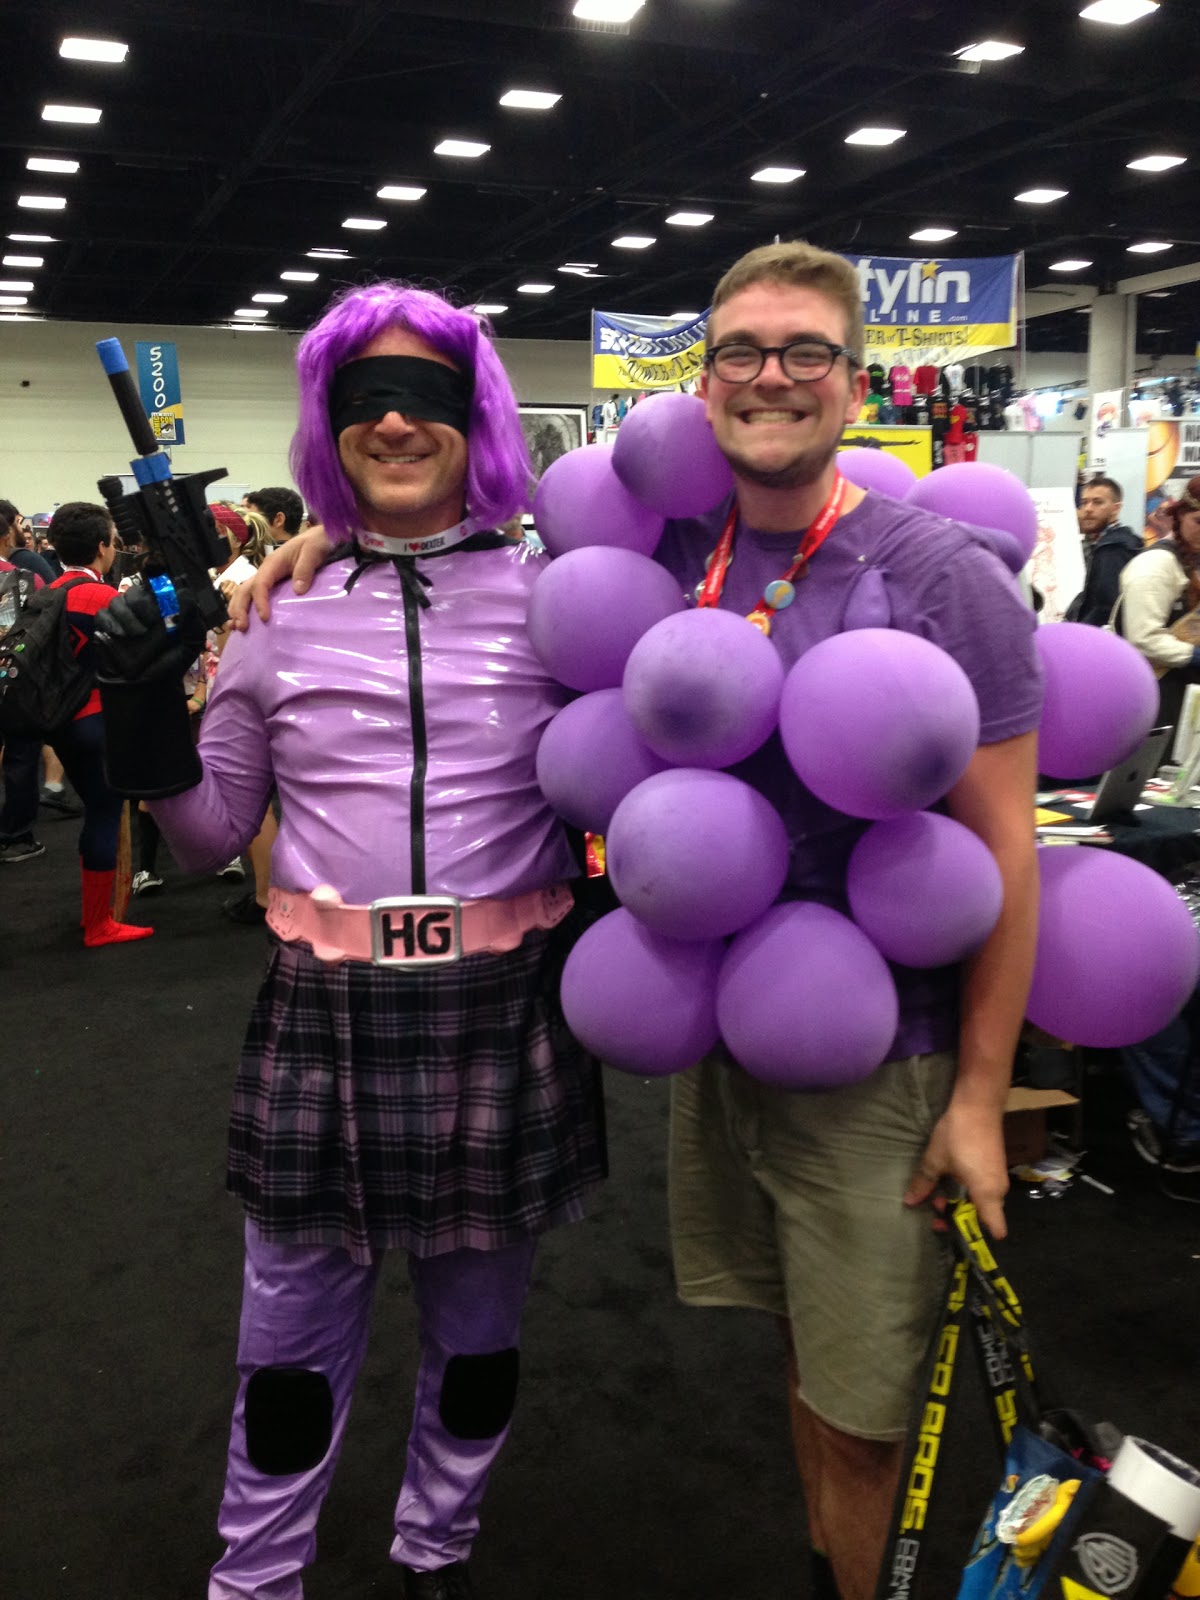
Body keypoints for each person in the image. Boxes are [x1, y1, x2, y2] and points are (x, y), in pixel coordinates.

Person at [243, 242, 1042, 1600]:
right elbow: (492, 556)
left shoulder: (938, 573)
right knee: (802, 1363)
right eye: (742, 352)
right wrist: (326, 533)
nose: (772, 377)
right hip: (722, 1032)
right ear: (705, 378)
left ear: (857, 381)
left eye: (806, 352)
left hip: (882, 1053)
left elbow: (1006, 856)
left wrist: (977, 1096)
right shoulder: (668, 547)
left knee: (866, 1412)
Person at [99, 283, 606, 1600]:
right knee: (285, 1349)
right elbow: (207, 839)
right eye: (363, 398)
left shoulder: (559, 604)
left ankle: (439, 1549)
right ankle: (256, 1579)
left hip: (506, 1004)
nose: (393, 421)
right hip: (323, 1010)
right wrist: (142, 719)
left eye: (426, 395)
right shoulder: (277, 614)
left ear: (477, 417)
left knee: (481, 1335)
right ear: (327, 425)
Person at [46, 501, 154, 945]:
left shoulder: (47, 592)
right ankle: (98, 923)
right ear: (102, 547)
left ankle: (95, 914)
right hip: (97, 719)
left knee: (96, 810)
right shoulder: (104, 598)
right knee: (105, 813)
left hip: (58, 720)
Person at [1116, 475, 1200, 729]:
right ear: (1180, 516)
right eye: (1198, 521)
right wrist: (1194, 655)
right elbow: (1143, 638)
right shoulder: (1155, 566)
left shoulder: (1193, 558)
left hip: (1185, 690)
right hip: (1155, 692)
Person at [1068, 475, 1142, 625]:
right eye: (1084, 502)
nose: (1088, 509)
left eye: (1098, 502)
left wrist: (1078, 631)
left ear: (1116, 508)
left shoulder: (1114, 548)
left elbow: (1107, 607)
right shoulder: (1099, 543)